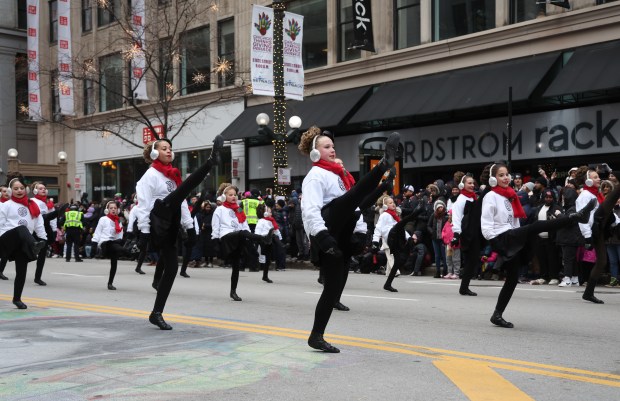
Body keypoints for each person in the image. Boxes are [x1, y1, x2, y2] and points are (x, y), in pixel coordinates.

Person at [300, 126, 400, 353]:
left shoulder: (340, 177)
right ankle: (384, 163)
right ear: (315, 153)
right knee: (348, 200)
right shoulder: (315, 175)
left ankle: (316, 336)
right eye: (327, 147)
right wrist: (322, 237)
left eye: (333, 146)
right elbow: (310, 211)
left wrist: (359, 233)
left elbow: (359, 205)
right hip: (326, 228)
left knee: (333, 288)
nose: (333, 150)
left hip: (340, 231)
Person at [481, 163, 595, 328]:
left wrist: (519, 240)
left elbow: (513, 222)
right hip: (502, 238)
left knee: (512, 280)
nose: (506, 177)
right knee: (536, 226)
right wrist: (497, 244)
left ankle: (496, 315)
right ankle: (575, 217)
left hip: (512, 236)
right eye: (501, 175)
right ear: (493, 179)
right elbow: (485, 225)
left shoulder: (509, 195)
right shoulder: (490, 196)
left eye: (507, 174)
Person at [134, 135, 223, 330]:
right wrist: (144, 232)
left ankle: (156, 312)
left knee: (172, 268)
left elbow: (182, 202)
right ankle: (209, 162)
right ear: (155, 153)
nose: (168, 151)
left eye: (170, 148)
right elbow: (143, 206)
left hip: (171, 222)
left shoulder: (171, 175)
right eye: (164, 148)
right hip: (158, 219)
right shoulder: (150, 176)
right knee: (182, 190)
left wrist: (189, 226)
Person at [212, 185, 272, 301]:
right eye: (230, 195)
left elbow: (244, 223)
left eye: (234, 194)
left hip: (238, 236)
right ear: (225, 196)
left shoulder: (238, 209)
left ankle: (233, 291)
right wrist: (215, 241)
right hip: (227, 236)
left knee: (236, 266)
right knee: (241, 233)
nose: (233, 196)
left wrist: (249, 235)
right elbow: (216, 226)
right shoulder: (220, 209)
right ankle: (262, 239)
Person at [0, 176, 48, 309]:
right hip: (6, 239)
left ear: (26, 189)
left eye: (21, 188)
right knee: (21, 228)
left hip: (23, 242)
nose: (19, 190)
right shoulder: (6, 205)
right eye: (15, 188)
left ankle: (17, 299)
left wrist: (43, 238)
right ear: (10, 190)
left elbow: (39, 224)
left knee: (21, 270)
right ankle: (34, 245)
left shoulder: (32, 205)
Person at [92, 200, 136, 290]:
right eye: (111, 208)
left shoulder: (118, 221)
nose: (113, 209)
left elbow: (120, 235)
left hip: (114, 244)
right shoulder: (103, 219)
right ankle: (131, 253)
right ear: (107, 210)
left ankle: (110, 284)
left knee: (114, 264)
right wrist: (94, 243)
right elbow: (97, 232)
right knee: (120, 249)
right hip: (105, 243)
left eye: (115, 208)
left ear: (117, 210)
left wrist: (119, 240)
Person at [451, 173, 480, 296]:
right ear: (462, 185)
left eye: (473, 183)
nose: (472, 185)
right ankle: (464, 288)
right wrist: (457, 234)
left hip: (475, 232)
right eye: (469, 183)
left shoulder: (473, 197)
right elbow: (456, 218)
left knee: (473, 261)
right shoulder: (461, 199)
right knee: (470, 261)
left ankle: (464, 287)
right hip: (466, 233)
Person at [373, 195, 404, 292]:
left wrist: (408, 237)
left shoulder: (393, 214)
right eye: (390, 203)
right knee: (391, 256)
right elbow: (378, 228)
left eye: (393, 202)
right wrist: (375, 241)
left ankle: (388, 277)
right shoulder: (384, 215)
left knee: (391, 257)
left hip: (394, 238)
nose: (393, 204)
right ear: (385, 205)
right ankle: (395, 273)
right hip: (388, 239)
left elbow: (399, 227)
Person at [29, 182, 58, 286]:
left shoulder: (46, 203)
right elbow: (39, 216)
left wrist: (54, 230)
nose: (43, 190)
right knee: (25, 253)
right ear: (35, 191)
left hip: (44, 229)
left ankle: (37, 277)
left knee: (42, 255)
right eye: (40, 188)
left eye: (44, 188)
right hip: (34, 229)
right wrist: (55, 213)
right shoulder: (32, 201)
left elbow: (49, 220)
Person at [255, 204, 281, 283]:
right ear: (265, 213)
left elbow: (276, 230)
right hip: (264, 240)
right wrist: (258, 239)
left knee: (268, 259)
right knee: (266, 258)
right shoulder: (262, 221)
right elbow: (258, 231)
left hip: (270, 240)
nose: (271, 213)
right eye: (269, 212)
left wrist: (279, 238)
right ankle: (264, 274)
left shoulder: (271, 221)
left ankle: (265, 276)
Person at [0, 185, 11, 280]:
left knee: (5, 254)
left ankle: (0, 271)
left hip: (6, 232)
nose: (6, 193)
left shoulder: (10, 204)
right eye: (4, 191)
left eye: (7, 191)